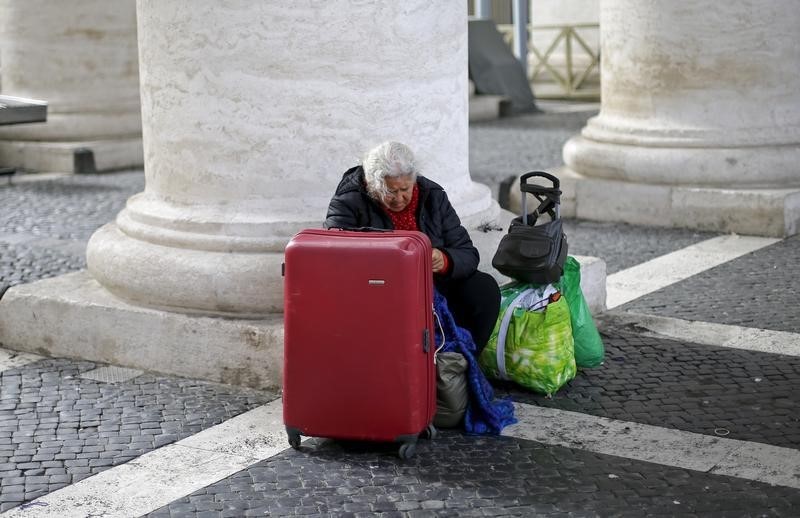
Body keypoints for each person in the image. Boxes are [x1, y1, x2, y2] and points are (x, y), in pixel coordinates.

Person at [324, 141, 501, 354]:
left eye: (405, 189)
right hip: (379, 290)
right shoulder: (348, 201)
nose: (399, 198)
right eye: (390, 191)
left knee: (483, 289)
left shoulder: (432, 195)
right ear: (372, 185)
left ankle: (460, 363)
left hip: (432, 285)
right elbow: (334, 259)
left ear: (413, 181)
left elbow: (467, 252)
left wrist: (445, 260)